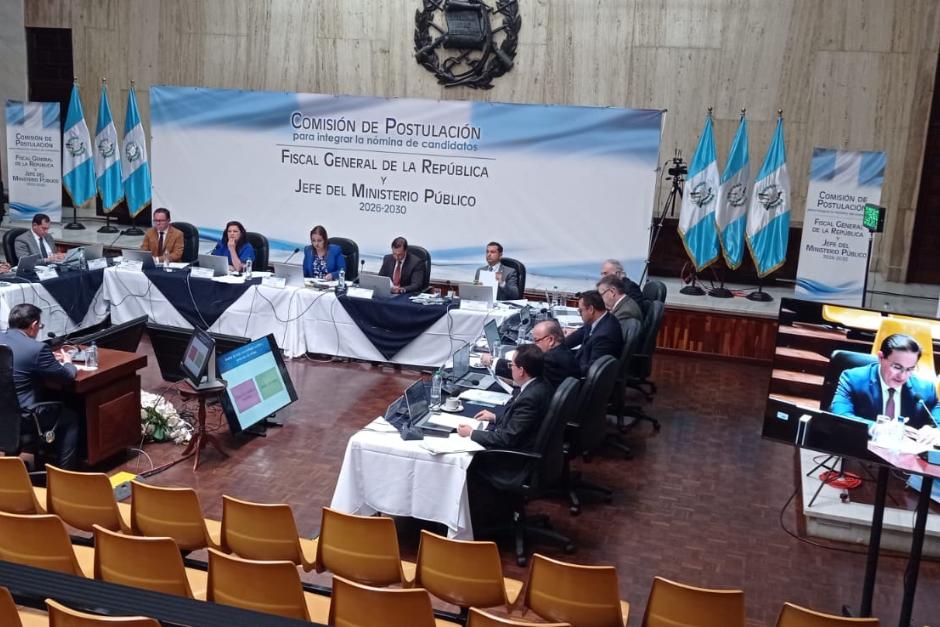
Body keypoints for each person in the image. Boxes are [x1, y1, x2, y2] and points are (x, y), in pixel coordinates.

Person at [0, 303, 79, 469]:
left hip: (3, 415)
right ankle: (64, 476)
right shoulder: (36, 349)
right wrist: (68, 362)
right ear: (34, 325)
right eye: (40, 326)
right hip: (25, 417)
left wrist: (48, 360)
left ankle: (10, 464)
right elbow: (67, 377)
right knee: (70, 417)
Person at [830, 333, 940, 431]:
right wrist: (877, 428)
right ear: (881, 357)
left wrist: (935, 432)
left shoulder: (926, 389)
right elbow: (840, 414)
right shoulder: (853, 379)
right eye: (897, 367)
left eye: (910, 369)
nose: (902, 376)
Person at [457, 344, 553, 451]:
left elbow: (506, 439)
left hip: (512, 454)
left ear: (521, 371)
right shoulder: (541, 383)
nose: (510, 368)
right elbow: (520, 422)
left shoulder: (529, 399)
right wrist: (495, 417)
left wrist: (471, 433)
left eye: (512, 365)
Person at [481, 320, 580, 388]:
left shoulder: (551, 359)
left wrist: (492, 361)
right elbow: (540, 378)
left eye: (536, 340)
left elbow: (524, 369)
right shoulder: (563, 351)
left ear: (550, 340)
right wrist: (515, 382)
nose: (534, 344)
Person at [563, 289, 624, 376]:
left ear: (591, 309)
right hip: (580, 360)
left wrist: (563, 371)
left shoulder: (605, 336)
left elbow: (592, 369)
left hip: (582, 375)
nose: (579, 314)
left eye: (580, 311)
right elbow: (579, 335)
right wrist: (556, 345)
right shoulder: (599, 319)